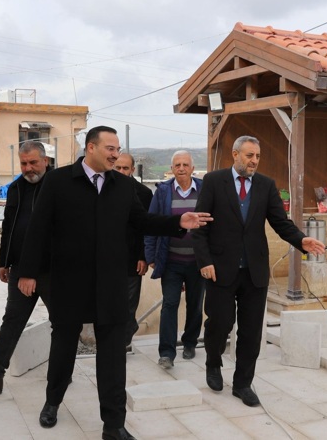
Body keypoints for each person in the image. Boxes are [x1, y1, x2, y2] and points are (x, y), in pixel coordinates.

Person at [16, 126, 211, 440]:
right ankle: (53, 401)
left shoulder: (122, 185)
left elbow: (140, 220)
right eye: (109, 148)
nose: (114, 154)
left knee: (112, 355)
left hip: (110, 282)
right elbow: (37, 229)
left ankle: (114, 424)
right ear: (91, 147)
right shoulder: (59, 181)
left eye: (117, 149)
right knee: (64, 344)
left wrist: (178, 222)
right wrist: (27, 273)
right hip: (68, 281)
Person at [193, 135, 325, 407]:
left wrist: (301, 240)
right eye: (249, 155)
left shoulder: (266, 185)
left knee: (251, 332)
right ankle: (213, 362)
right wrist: (204, 261)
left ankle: (242, 383)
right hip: (219, 269)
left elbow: (280, 222)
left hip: (254, 271)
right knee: (220, 323)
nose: (254, 161)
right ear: (235, 154)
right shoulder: (214, 182)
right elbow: (200, 226)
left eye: (257, 157)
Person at [0, 141, 53, 395]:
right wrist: (3, 262)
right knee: (12, 322)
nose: (28, 168)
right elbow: (10, 227)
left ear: (45, 161)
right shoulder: (16, 187)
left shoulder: (58, 186)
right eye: (24, 163)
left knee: (62, 324)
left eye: (33, 163)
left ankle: (60, 374)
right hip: (19, 268)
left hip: (53, 270)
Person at [145, 150, 205, 368]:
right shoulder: (162, 192)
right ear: (171, 169)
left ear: (192, 168)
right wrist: (151, 255)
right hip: (171, 261)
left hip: (198, 262)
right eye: (177, 165)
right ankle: (166, 353)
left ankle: (189, 342)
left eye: (185, 164)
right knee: (169, 304)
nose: (181, 168)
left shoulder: (205, 190)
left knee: (195, 305)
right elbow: (151, 224)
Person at [113, 153, 154, 350]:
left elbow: (146, 228)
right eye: (118, 168)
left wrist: (143, 257)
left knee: (129, 302)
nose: (121, 172)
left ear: (132, 170)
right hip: (108, 258)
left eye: (125, 168)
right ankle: (118, 336)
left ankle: (124, 341)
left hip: (132, 258)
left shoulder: (144, 194)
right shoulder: (102, 189)